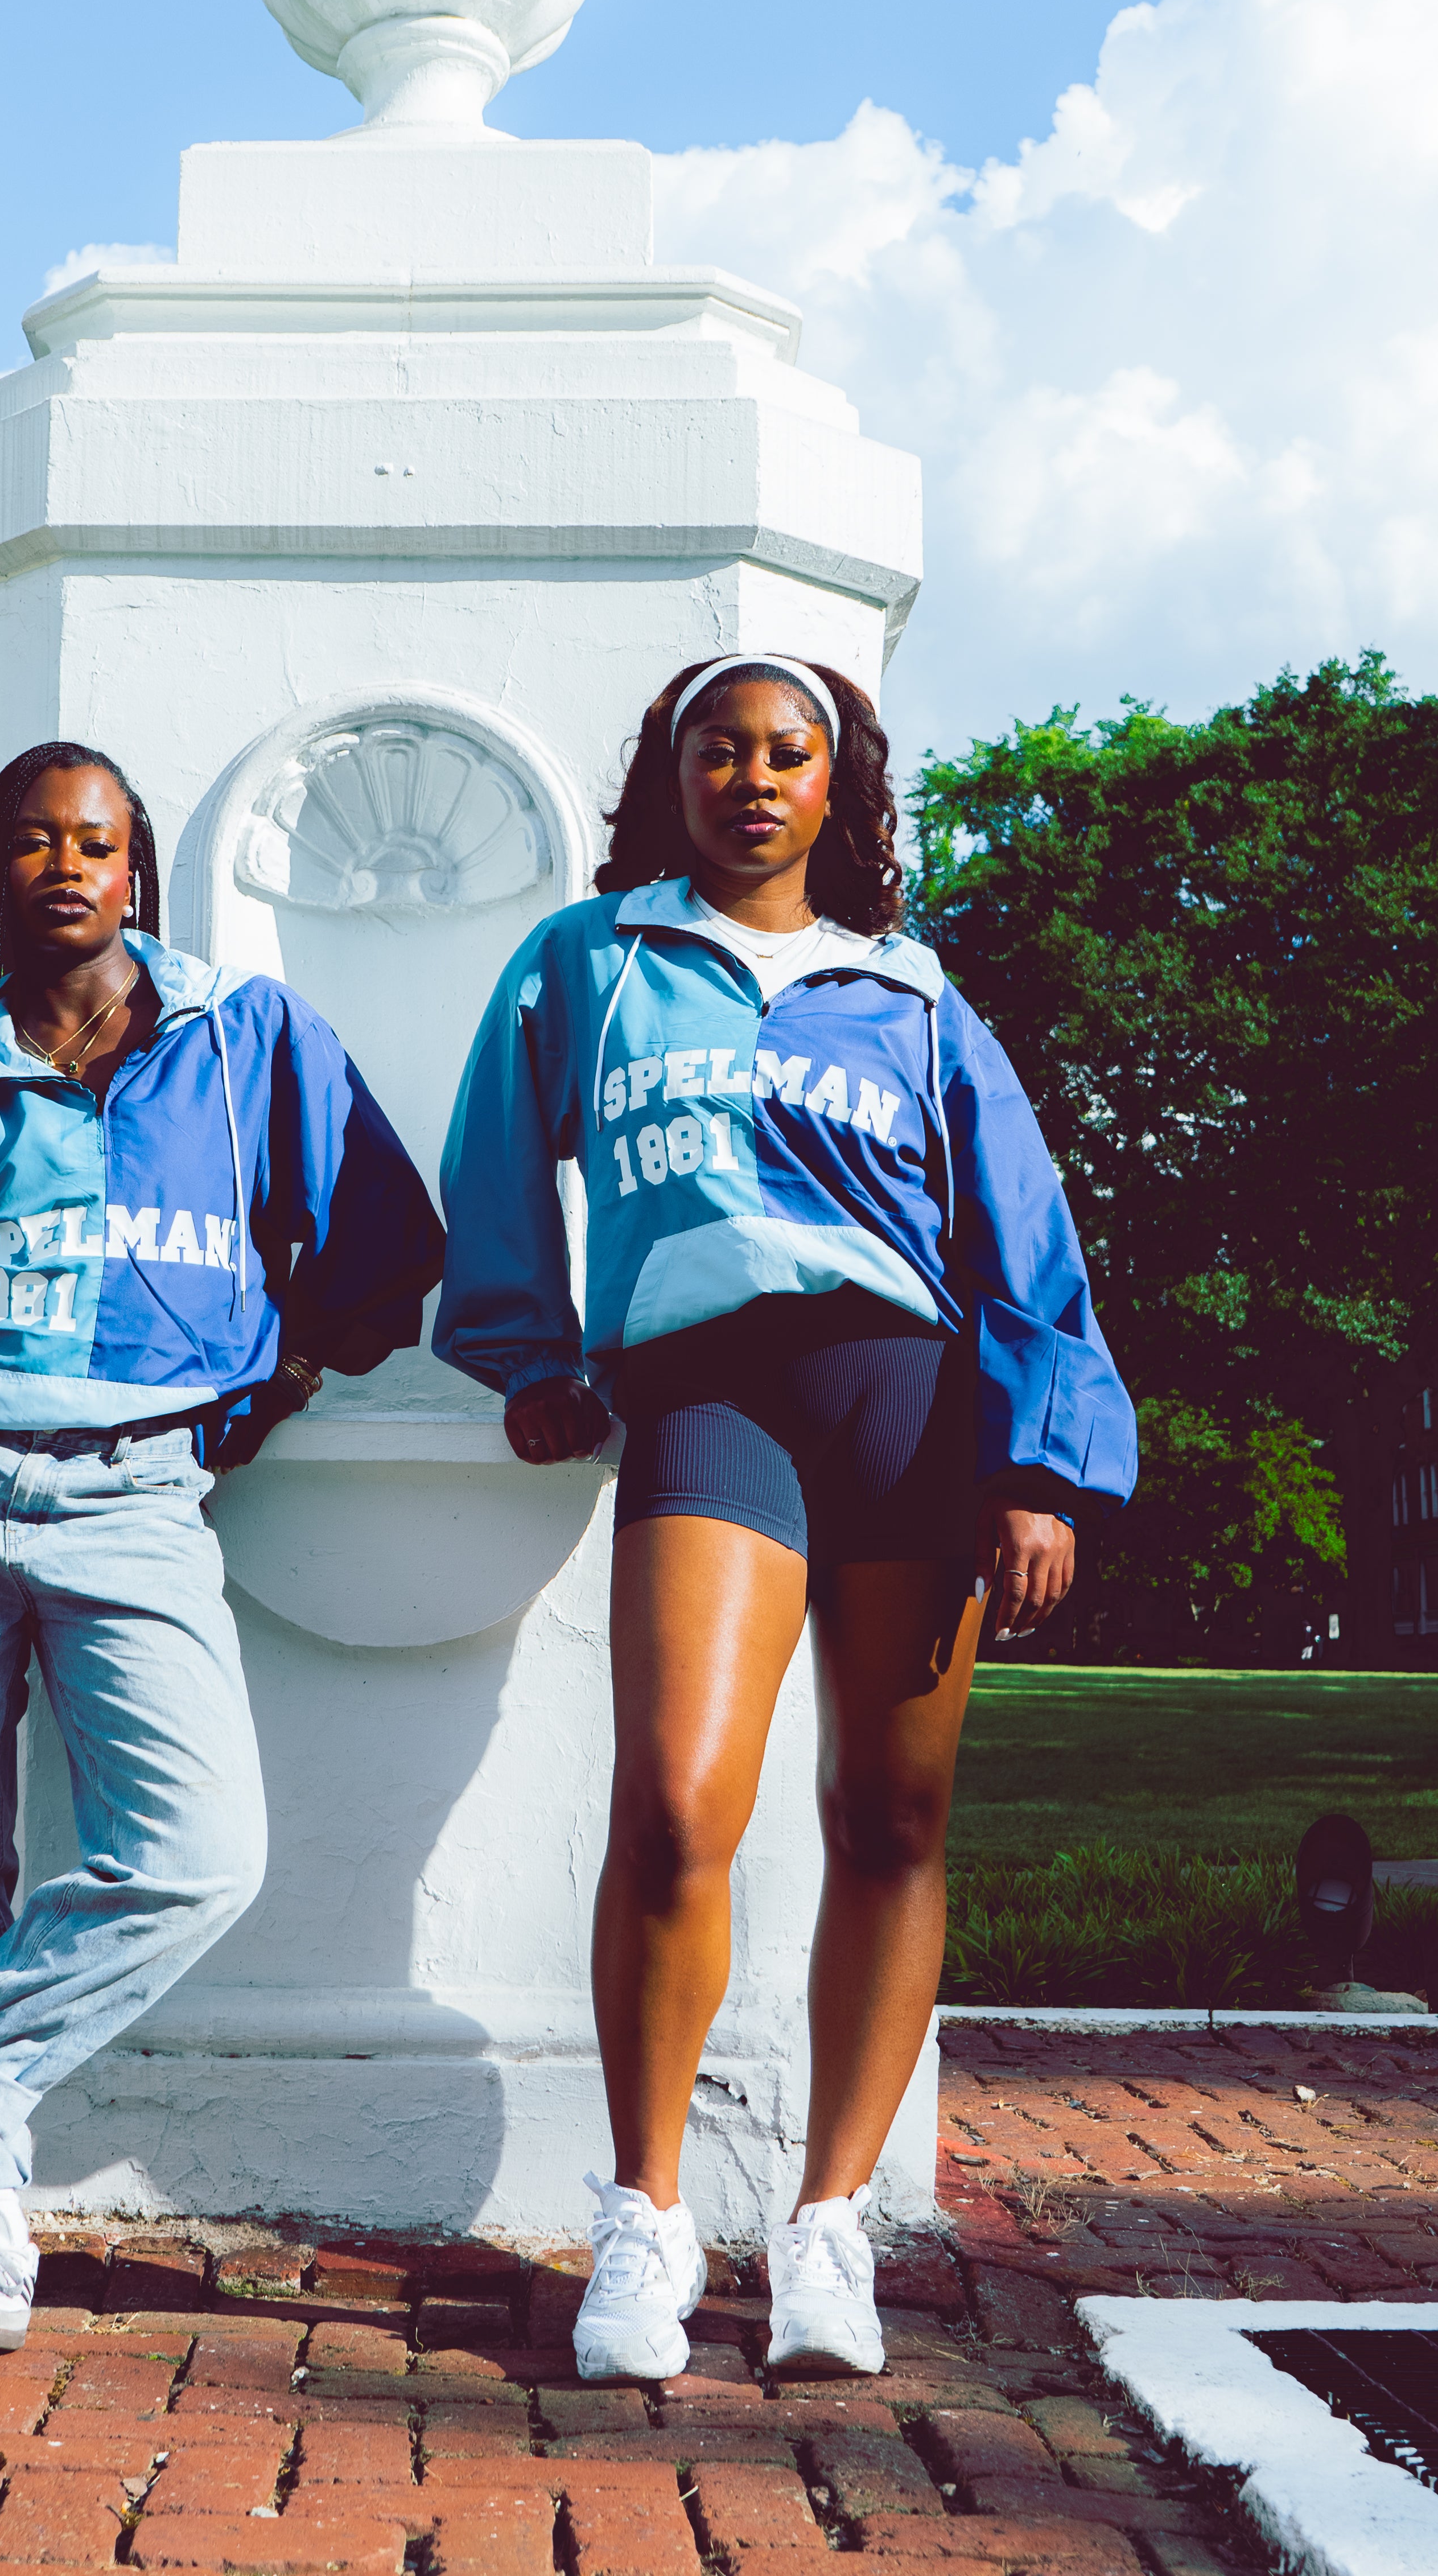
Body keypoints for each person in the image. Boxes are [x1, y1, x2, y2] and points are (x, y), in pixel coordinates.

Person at [434, 655, 1135, 2381]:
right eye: (717, 750)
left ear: (839, 785)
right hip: (709, 1399)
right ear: (670, 778)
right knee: (676, 1798)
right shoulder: (586, 964)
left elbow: (1022, 1241)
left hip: (908, 1410)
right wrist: (526, 1348)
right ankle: (646, 2221)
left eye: (786, 753)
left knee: (889, 1813)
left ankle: (826, 2230)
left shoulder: (910, 997)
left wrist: (1038, 1464)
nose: (752, 778)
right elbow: (495, 1160)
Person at [0, 740, 444, 2351]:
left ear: (138, 873)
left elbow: (384, 1237)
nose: (68, 865)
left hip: (137, 1497)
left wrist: (285, 1370)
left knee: (198, 1851)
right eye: (34, 841)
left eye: (98, 842)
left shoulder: (242, 1040)